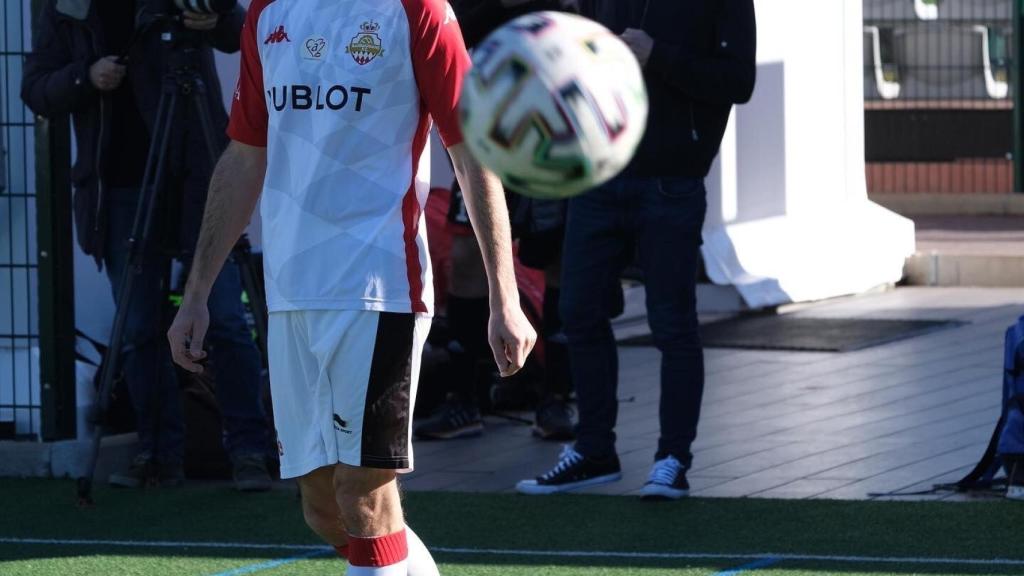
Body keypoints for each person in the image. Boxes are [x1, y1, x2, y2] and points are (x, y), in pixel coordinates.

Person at [166, 0, 536, 573]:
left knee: (363, 494)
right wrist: (196, 296)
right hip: (290, 290)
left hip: (379, 283)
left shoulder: (417, 10)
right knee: (322, 508)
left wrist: (504, 297)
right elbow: (244, 156)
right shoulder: (267, 13)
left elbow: (472, 150)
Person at [21, 0, 273, 491]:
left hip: (200, 176)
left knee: (224, 317)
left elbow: (245, 30)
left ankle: (250, 450)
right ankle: (157, 454)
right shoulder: (67, 5)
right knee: (138, 327)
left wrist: (215, 22)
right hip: (117, 184)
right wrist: (85, 76)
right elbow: (35, 85)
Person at [518, 0, 757, 499]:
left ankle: (672, 458)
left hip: (673, 179)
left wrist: (659, 56)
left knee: (672, 324)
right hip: (600, 173)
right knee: (578, 311)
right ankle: (594, 450)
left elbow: (739, 82)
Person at [414, 0, 577, 443]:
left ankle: (556, 398)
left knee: (554, 253)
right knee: (466, 257)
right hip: (486, 128)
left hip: (551, 121)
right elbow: (449, 27)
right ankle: (462, 401)